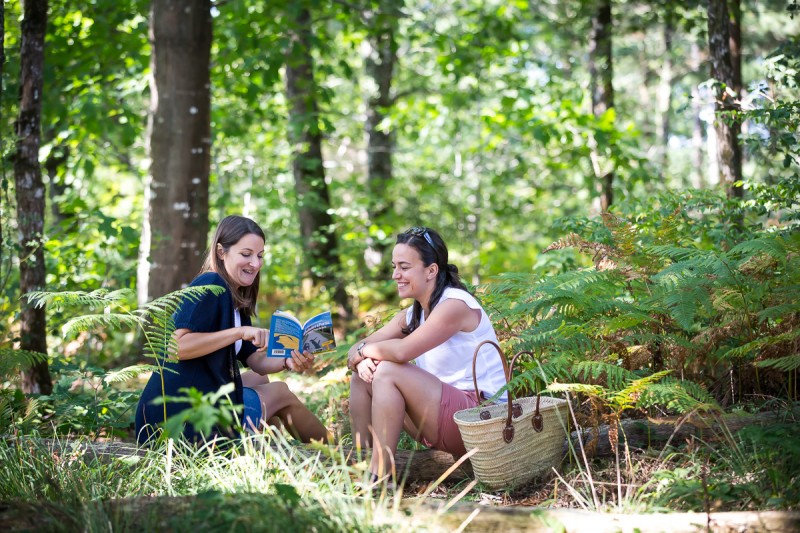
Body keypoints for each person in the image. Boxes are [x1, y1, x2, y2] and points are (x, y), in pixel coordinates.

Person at [135, 215, 330, 445]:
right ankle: (337, 455)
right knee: (281, 393)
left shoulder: (236, 297)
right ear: (221, 252)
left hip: (197, 401)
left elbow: (256, 361)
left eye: (260, 256)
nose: (255, 264)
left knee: (261, 378)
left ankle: (263, 449)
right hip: (173, 422)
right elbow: (175, 348)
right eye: (246, 254)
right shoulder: (211, 285)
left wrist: (289, 361)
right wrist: (238, 333)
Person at [347, 226, 507, 481]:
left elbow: (400, 352)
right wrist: (360, 360)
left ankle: (379, 478)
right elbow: (356, 348)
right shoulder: (414, 314)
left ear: (431, 270)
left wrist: (364, 353)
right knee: (362, 378)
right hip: (445, 414)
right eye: (393, 266)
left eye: (404, 267)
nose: (395, 275)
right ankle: (358, 463)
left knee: (386, 371)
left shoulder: (454, 305)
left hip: (481, 419)